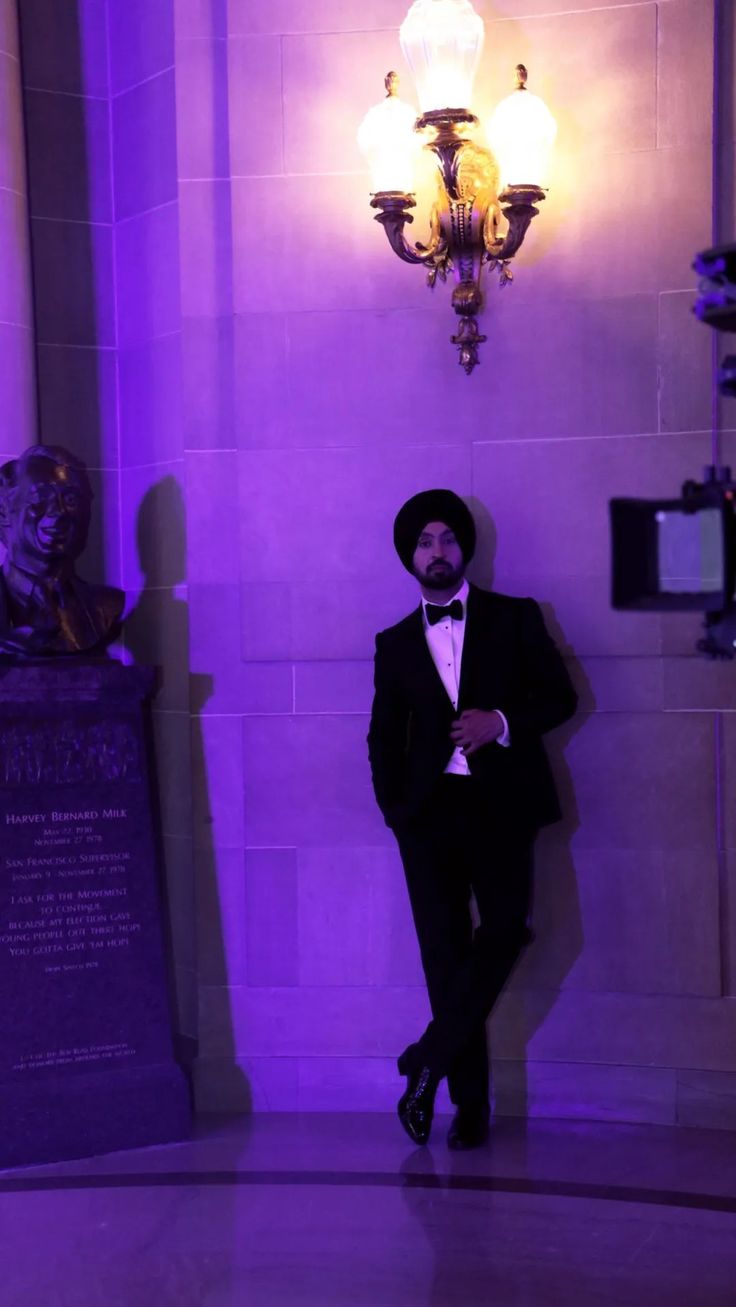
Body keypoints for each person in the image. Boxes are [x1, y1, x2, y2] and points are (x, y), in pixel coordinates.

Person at [367, 489, 577, 1149]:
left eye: (447, 539)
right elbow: (381, 738)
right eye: (426, 542)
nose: (438, 551)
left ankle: (427, 1057)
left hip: (501, 807)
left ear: (465, 548)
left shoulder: (516, 618)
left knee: (506, 930)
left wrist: (503, 721)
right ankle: (468, 1107)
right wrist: (397, 813)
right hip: (428, 819)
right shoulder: (396, 642)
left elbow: (561, 695)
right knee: (445, 958)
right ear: (410, 555)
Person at [0, 444, 124, 658]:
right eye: (40, 498)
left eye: (70, 500)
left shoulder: (104, 607)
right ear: (4, 513)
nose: (58, 512)